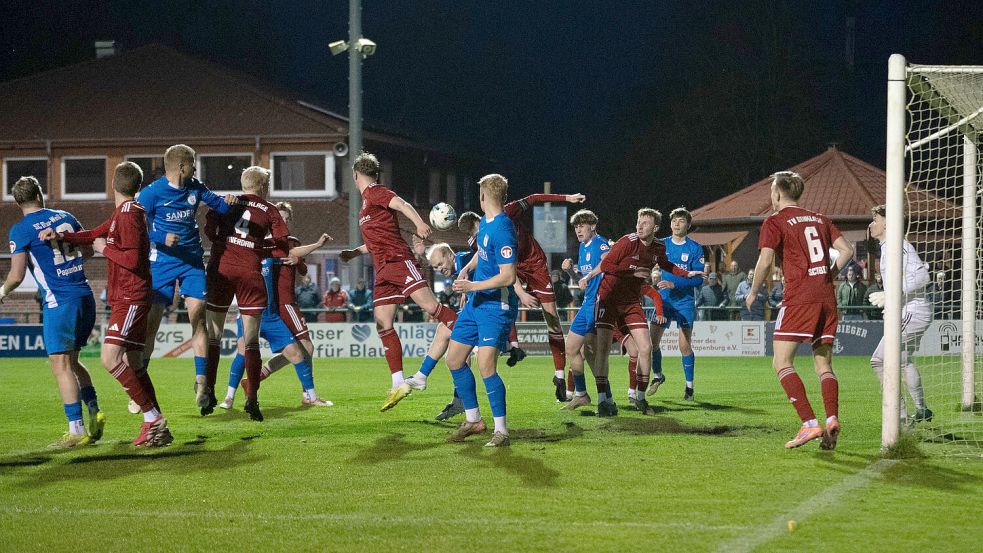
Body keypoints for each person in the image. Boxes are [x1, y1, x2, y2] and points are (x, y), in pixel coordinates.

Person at [45, 162, 173, 446]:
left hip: (130, 297)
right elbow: (93, 234)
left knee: (109, 358)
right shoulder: (124, 212)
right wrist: (62, 237)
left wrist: (105, 249)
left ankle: (153, 418)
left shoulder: (130, 214)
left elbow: (133, 260)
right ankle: (157, 425)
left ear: (113, 184)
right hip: (129, 297)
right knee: (135, 363)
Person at [338, 152, 458, 411]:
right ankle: (398, 383)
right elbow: (375, 241)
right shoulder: (365, 205)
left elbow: (402, 203)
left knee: (433, 309)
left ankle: (470, 332)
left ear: (355, 175)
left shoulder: (375, 191)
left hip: (398, 261)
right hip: (383, 270)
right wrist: (355, 252)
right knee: (383, 325)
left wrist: (419, 223)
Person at [744, 171, 853, 449]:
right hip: (827, 297)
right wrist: (827, 276)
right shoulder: (820, 218)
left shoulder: (775, 221)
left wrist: (754, 291)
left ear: (777, 193)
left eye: (771, 190)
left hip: (799, 297)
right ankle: (831, 419)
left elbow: (766, 259)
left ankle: (809, 424)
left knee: (781, 362)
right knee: (823, 364)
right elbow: (847, 251)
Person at [1, 176, 103, 448]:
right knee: (73, 362)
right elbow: (89, 250)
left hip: (60, 303)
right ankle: (94, 410)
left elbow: (17, 275)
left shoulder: (21, 230)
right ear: (40, 195)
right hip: (84, 296)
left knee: (59, 365)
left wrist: (2, 292)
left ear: (18, 202)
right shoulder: (65, 216)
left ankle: (76, 430)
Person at [458, 189, 587, 402]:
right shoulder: (479, 238)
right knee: (502, 304)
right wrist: (468, 271)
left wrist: (567, 198)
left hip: (535, 264)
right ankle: (511, 347)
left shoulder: (508, 213)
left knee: (552, 319)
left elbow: (535, 198)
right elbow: (501, 268)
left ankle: (559, 375)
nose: (479, 234)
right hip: (512, 270)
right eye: (475, 235)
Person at [136, 144, 234, 409]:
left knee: (198, 318)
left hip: (192, 263)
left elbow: (220, 206)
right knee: (151, 325)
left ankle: (201, 383)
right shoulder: (151, 194)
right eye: (192, 162)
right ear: (181, 166)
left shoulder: (196, 187)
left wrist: (232, 201)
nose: (195, 167)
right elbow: (135, 228)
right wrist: (161, 237)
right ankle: (139, 386)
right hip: (162, 265)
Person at [202, 166, 299, 421]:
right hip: (250, 274)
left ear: (244, 184)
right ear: (264, 187)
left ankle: (209, 390)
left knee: (213, 336)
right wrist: (259, 248)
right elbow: (282, 243)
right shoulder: (270, 210)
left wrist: (228, 237)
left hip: (220, 271)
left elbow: (210, 231)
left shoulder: (227, 202)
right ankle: (253, 399)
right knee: (252, 341)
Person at [220, 201, 333, 409]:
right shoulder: (261, 243)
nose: (283, 222)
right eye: (280, 218)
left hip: (277, 305)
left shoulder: (290, 242)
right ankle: (306, 394)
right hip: (279, 303)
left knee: (299, 349)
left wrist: (297, 260)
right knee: (304, 346)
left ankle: (266, 377)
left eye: (287, 219)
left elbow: (302, 269)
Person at [592, 208, 702, 416]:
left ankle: (640, 398)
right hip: (608, 298)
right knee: (603, 350)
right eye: (638, 221)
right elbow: (606, 265)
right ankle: (601, 400)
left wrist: (687, 273)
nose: (639, 226)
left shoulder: (658, 246)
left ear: (656, 228)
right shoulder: (627, 241)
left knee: (646, 347)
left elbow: (667, 264)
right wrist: (632, 271)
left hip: (631, 301)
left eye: (645, 223)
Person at [441, 174, 519, 447]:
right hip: (476, 304)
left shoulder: (504, 229)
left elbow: (508, 276)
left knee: (486, 365)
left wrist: (473, 285)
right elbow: (482, 252)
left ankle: (502, 431)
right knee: (454, 359)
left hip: (495, 306)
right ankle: (474, 420)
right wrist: (467, 267)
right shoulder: (485, 223)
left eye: (480, 193)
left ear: (486, 195)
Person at [866, 204, 934, 424]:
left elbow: (923, 277)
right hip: (911, 309)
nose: (871, 224)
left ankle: (902, 418)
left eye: (875, 219)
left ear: (886, 222)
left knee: (878, 360)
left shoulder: (899, 246)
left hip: (913, 310)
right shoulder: (887, 247)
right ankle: (922, 409)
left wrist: (892, 293)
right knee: (903, 360)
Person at [648, 207, 706, 401]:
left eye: (681, 221)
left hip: (685, 302)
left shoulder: (695, 248)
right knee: (652, 342)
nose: (676, 223)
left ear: (688, 225)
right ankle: (658, 376)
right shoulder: (661, 244)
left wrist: (675, 283)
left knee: (684, 345)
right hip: (663, 301)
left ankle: (689, 387)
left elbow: (698, 280)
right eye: (674, 220)